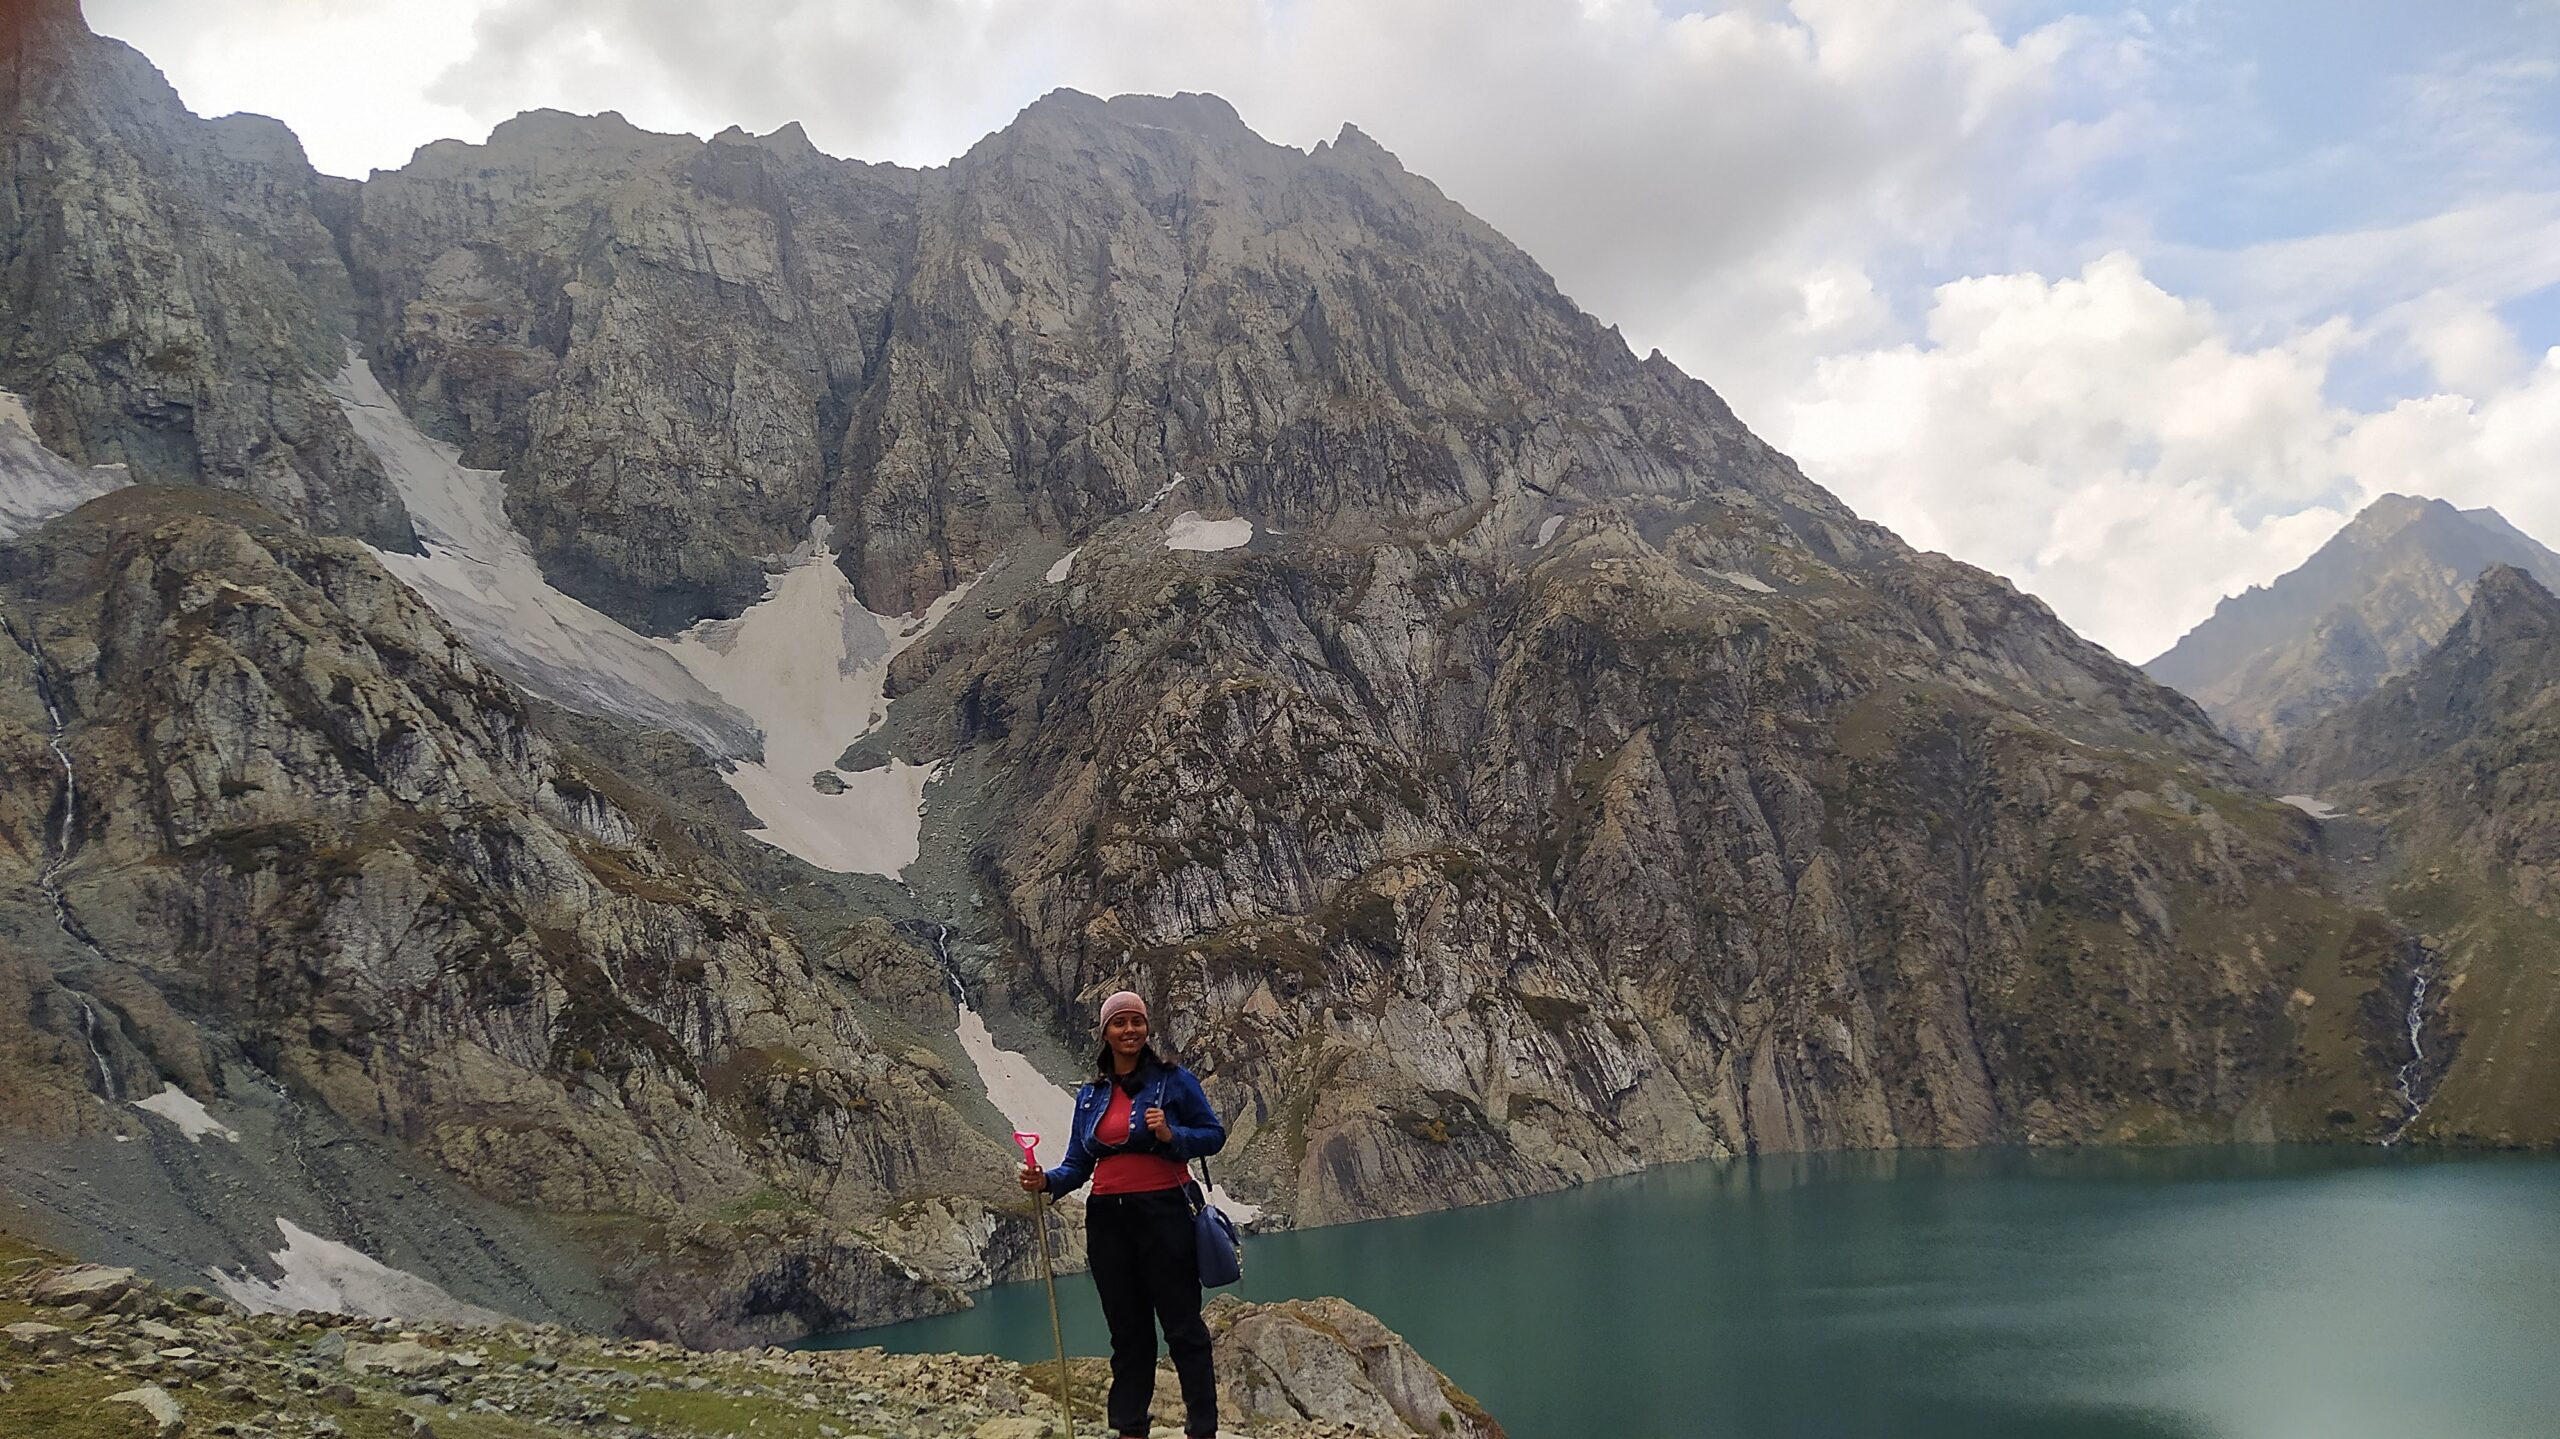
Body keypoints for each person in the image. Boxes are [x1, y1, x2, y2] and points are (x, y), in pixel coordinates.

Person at [1020, 989, 1226, 1439]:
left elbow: (1213, 1134)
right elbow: (1078, 1164)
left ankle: (1203, 1429)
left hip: (1166, 1213)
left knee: (1182, 1326)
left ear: (1146, 1028)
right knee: (1127, 1332)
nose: (1129, 1030)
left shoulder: (1174, 1081)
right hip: (1107, 1220)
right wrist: (1048, 1181)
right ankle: (1130, 1427)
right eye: (1120, 1023)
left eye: (1136, 1021)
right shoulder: (1091, 1094)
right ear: (1105, 1031)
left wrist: (1172, 1135)